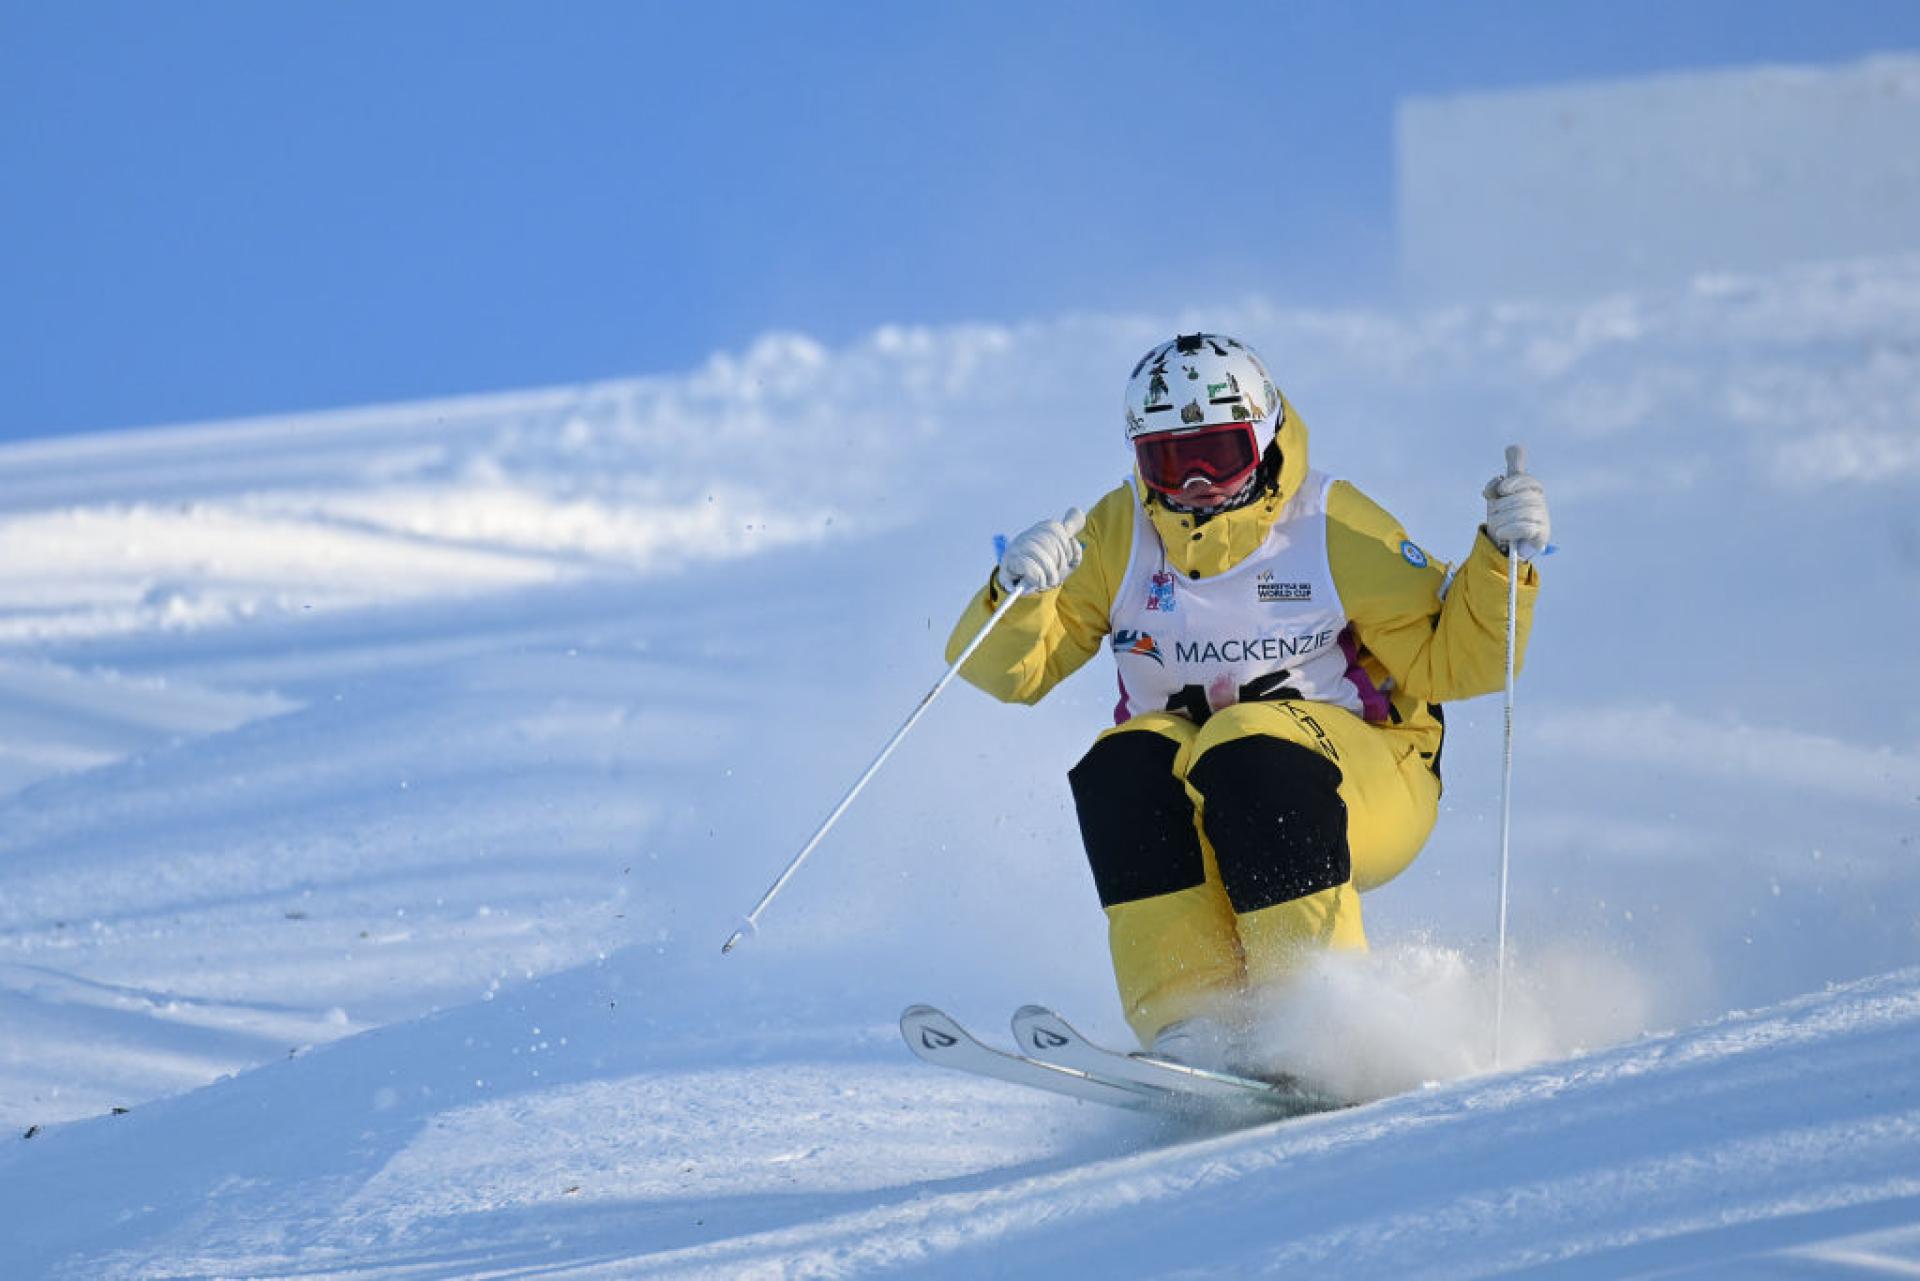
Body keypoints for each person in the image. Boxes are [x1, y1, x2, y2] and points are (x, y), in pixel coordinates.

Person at [944, 333, 1548, 1067]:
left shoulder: (1329, 524)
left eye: (1220, 453)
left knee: (1246, 747)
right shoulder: (1118, 533)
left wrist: (1497, 559)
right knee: (1123, 764)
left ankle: (1319, 1015)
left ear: (1261, 441)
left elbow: (1459, 661)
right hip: (1206, 788)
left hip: (1365, 777)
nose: (1195, 482)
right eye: (1168, 459)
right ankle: (1196, 1019)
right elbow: (1013, 673)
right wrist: (1017, 594)